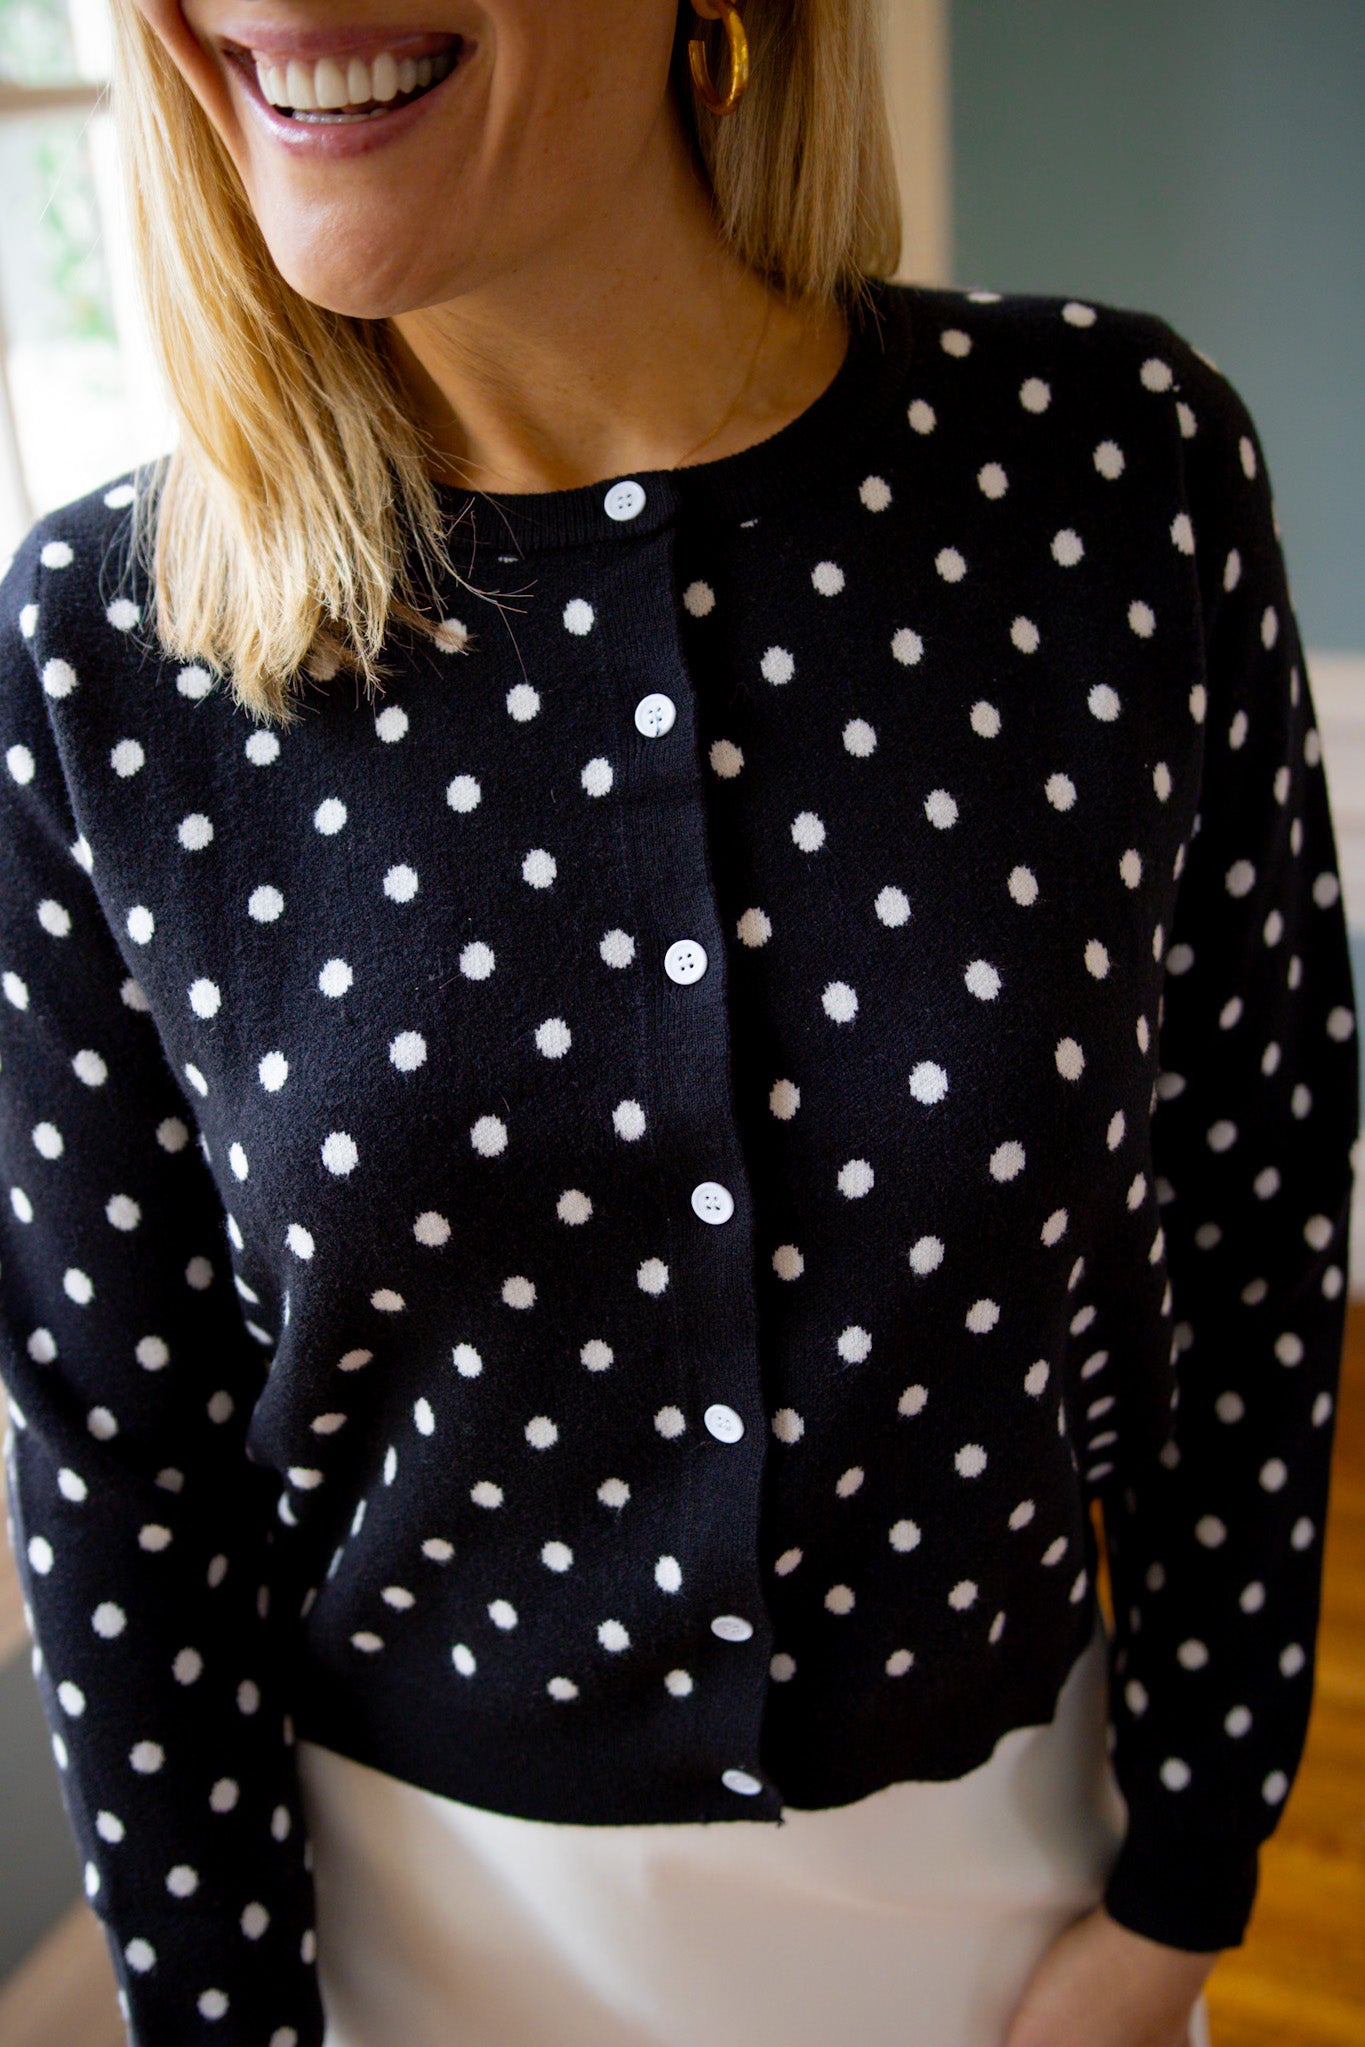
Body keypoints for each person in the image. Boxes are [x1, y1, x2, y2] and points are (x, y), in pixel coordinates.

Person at [0, 2, 1355, 2043]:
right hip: (397, 1936)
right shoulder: (99, 653)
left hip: (1014, 1893)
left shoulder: (1110, 471)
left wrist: (1183, 1881)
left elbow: (1252, 1211)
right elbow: (120, 1456)